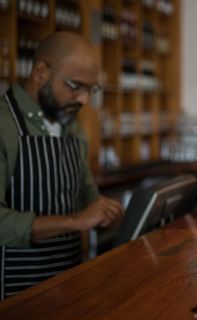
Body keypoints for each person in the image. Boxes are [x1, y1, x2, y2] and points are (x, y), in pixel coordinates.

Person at [0, 32, 123, 299]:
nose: (84, 100)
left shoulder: (73, 128)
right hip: (15, 293)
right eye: (75, 86)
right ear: (41, 72)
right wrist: (75, 221)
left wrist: (117, 216)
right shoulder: (4, 126)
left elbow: (87, 195)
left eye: (90, 89)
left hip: (68, 285)